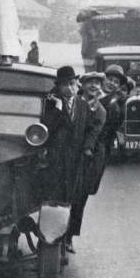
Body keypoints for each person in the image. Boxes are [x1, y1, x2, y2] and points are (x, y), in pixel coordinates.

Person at [42, 66, 92, 254]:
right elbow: (47, 129)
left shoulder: (83, 105)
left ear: (77, 84)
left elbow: (88, 129)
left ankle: (69, 237)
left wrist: (88, 149)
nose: (69, 89)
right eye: (64, 85)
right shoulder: (51, 105)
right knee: (56, 200)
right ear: (58, 87)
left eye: (72, 84)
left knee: (75, 200)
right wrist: (59, 110)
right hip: (57, 161)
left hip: (76, 162)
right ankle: (55, 238)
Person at [66, 72, 107, 253]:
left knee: (79, 198)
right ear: (82, 85)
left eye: (97, 83)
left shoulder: (100, 110)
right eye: (90, 82)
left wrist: (87, 150)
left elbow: (93, 133)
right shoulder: (74, 102)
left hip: (86, 158)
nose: (93, 86)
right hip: (68, 154)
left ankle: (69, 238)